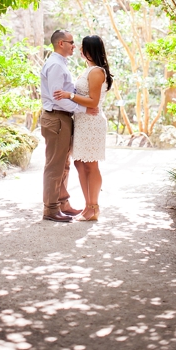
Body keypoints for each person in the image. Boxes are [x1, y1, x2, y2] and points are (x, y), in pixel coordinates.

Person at [39, 29, 98, 223]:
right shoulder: (56, 65)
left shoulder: (61, 64)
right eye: (71, 42)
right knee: (55, 166)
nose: (75, 46)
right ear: (60, 44)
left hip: (62, 118)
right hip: (56, 117)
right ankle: (50, 209)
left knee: (63, 165)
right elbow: (59, 98)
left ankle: (62, 204)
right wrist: (83, 109)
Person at [54, 35, 113, 221]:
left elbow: (93, 101)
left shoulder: (96, 72)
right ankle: (88, 206)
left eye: (82, 47)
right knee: (80, 163)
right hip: (82, 121)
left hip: (92, 122)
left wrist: (69, 95)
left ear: (90, 50)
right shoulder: (87, 70)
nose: (79, 50)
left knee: (91, 164)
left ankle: (93, 207)